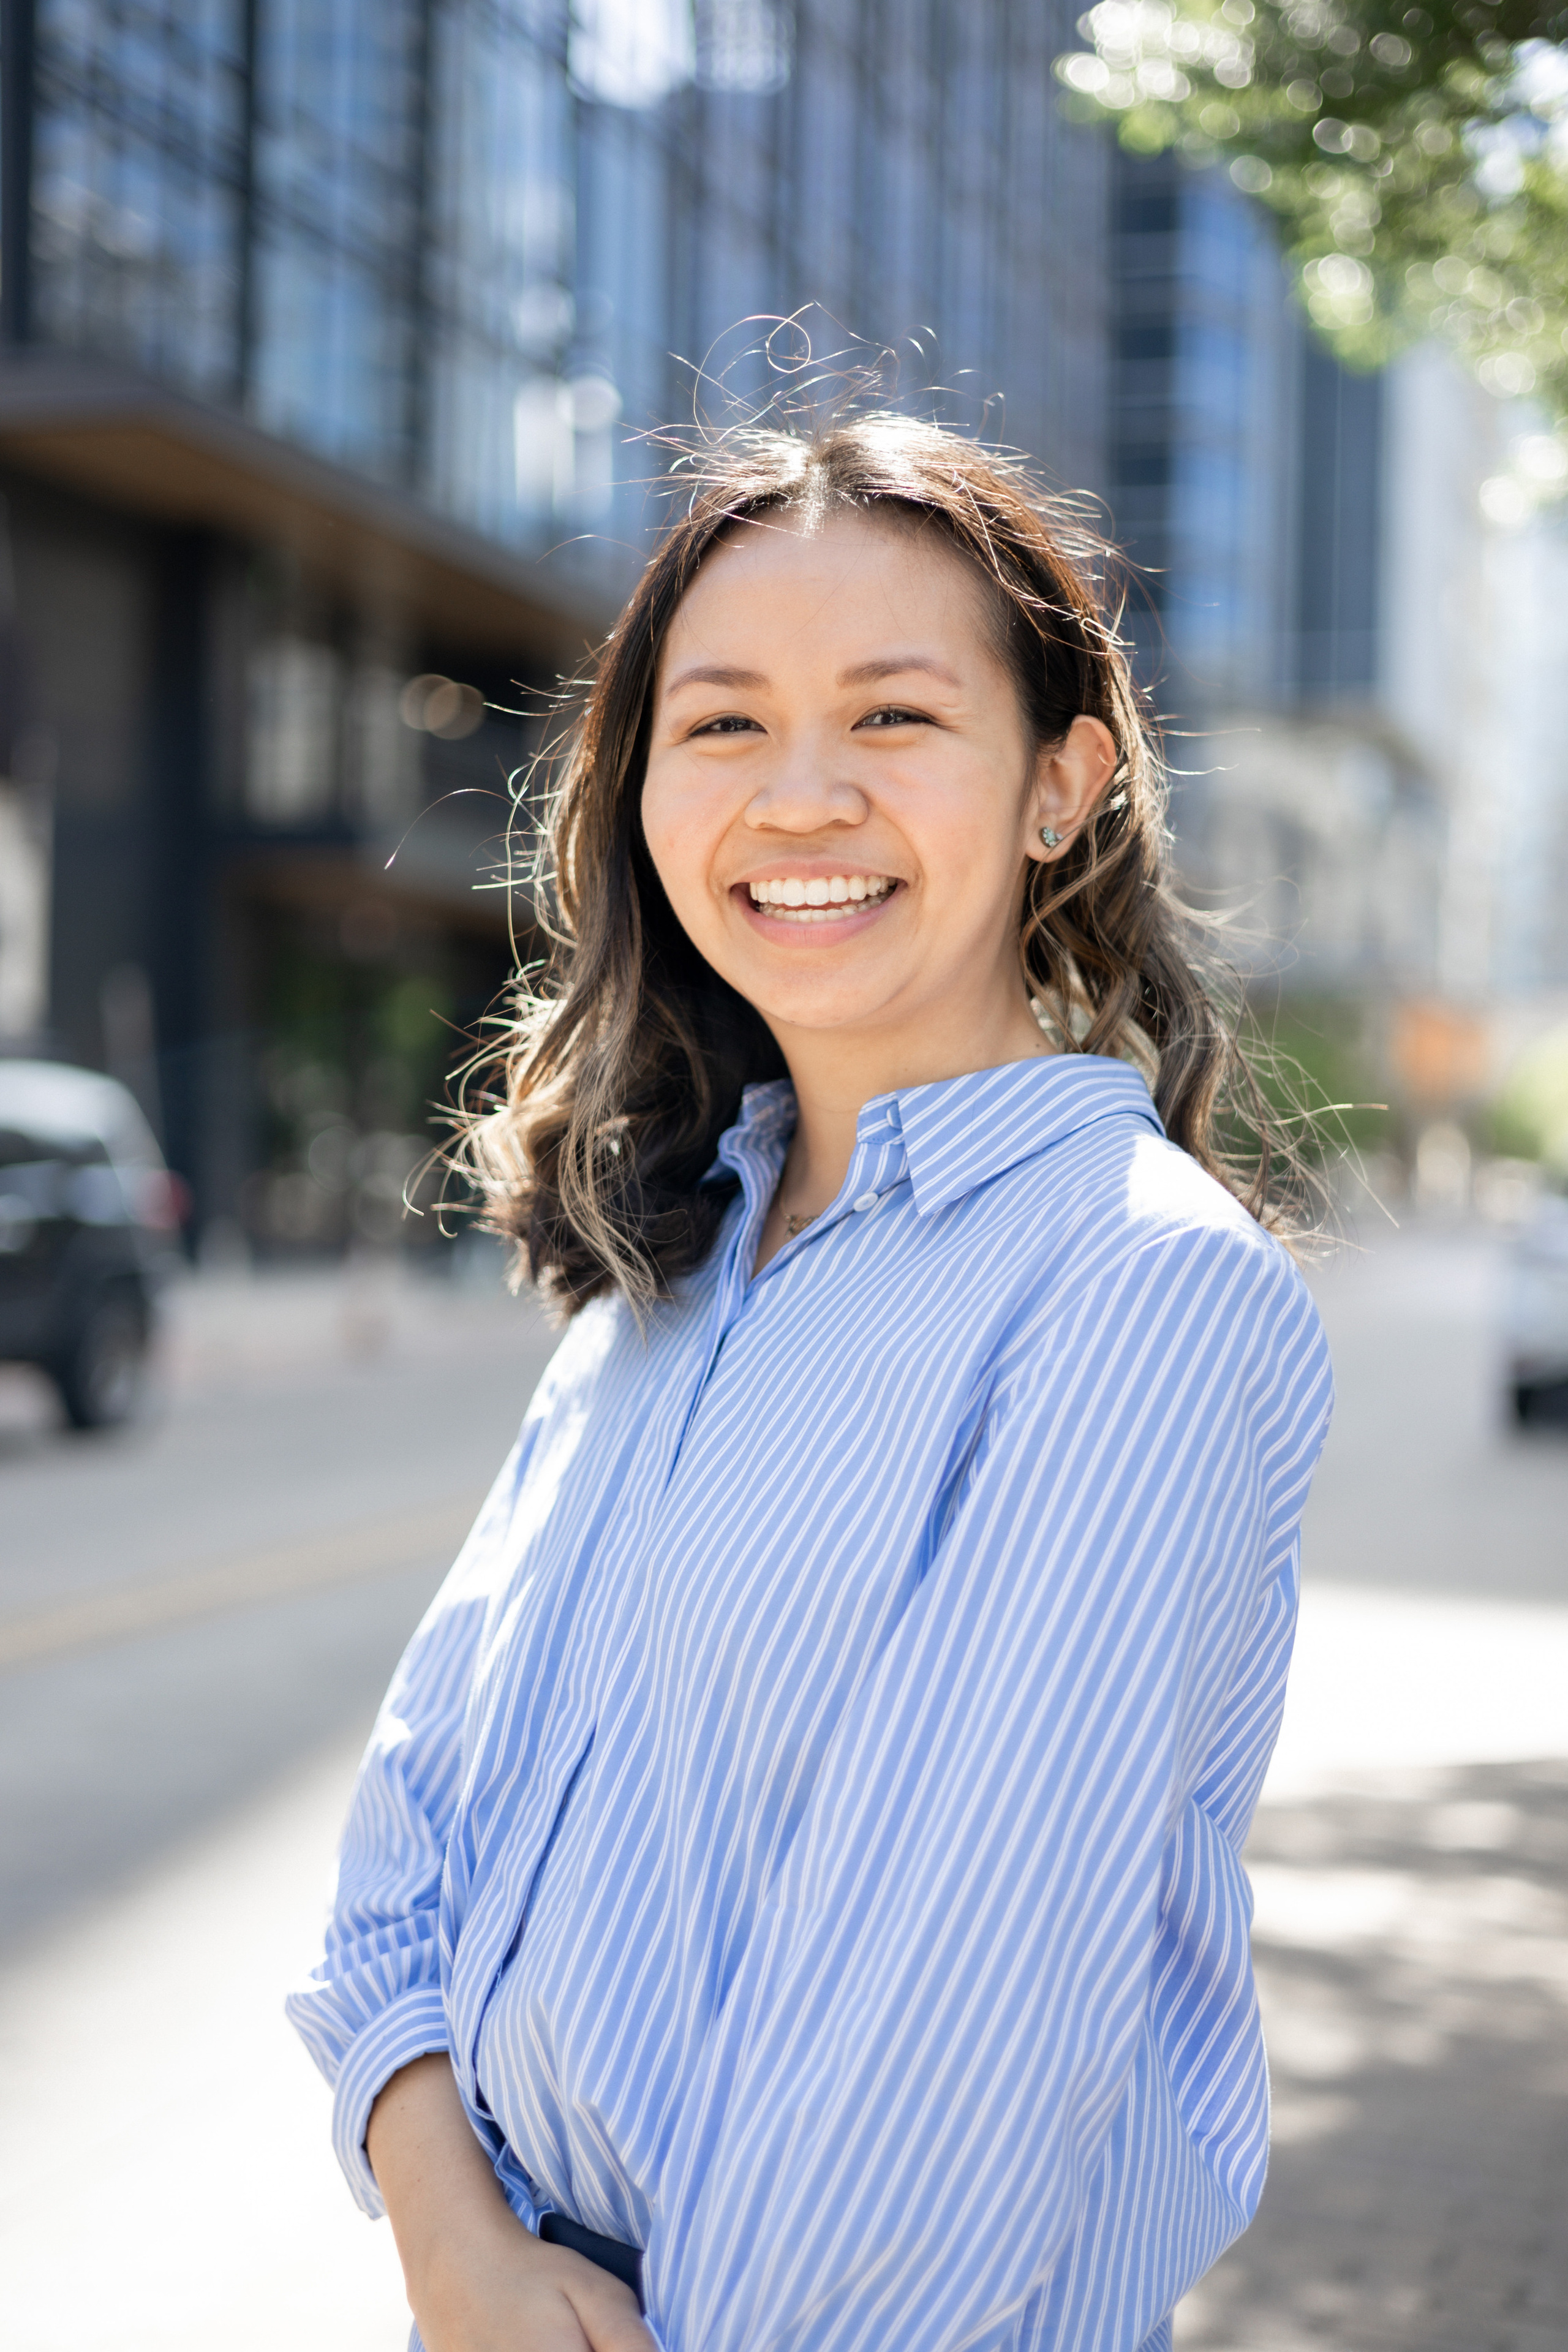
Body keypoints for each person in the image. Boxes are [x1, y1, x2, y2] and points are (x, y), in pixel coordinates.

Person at [288, 413, 1333, 2352]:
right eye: (725, 725)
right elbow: (408, 1842)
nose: (801, 797)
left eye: (897, 719)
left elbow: (932, 2084)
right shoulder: (661, 1286)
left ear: (1059, 786)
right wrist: (457, 2247)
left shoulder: (1137, 1291)